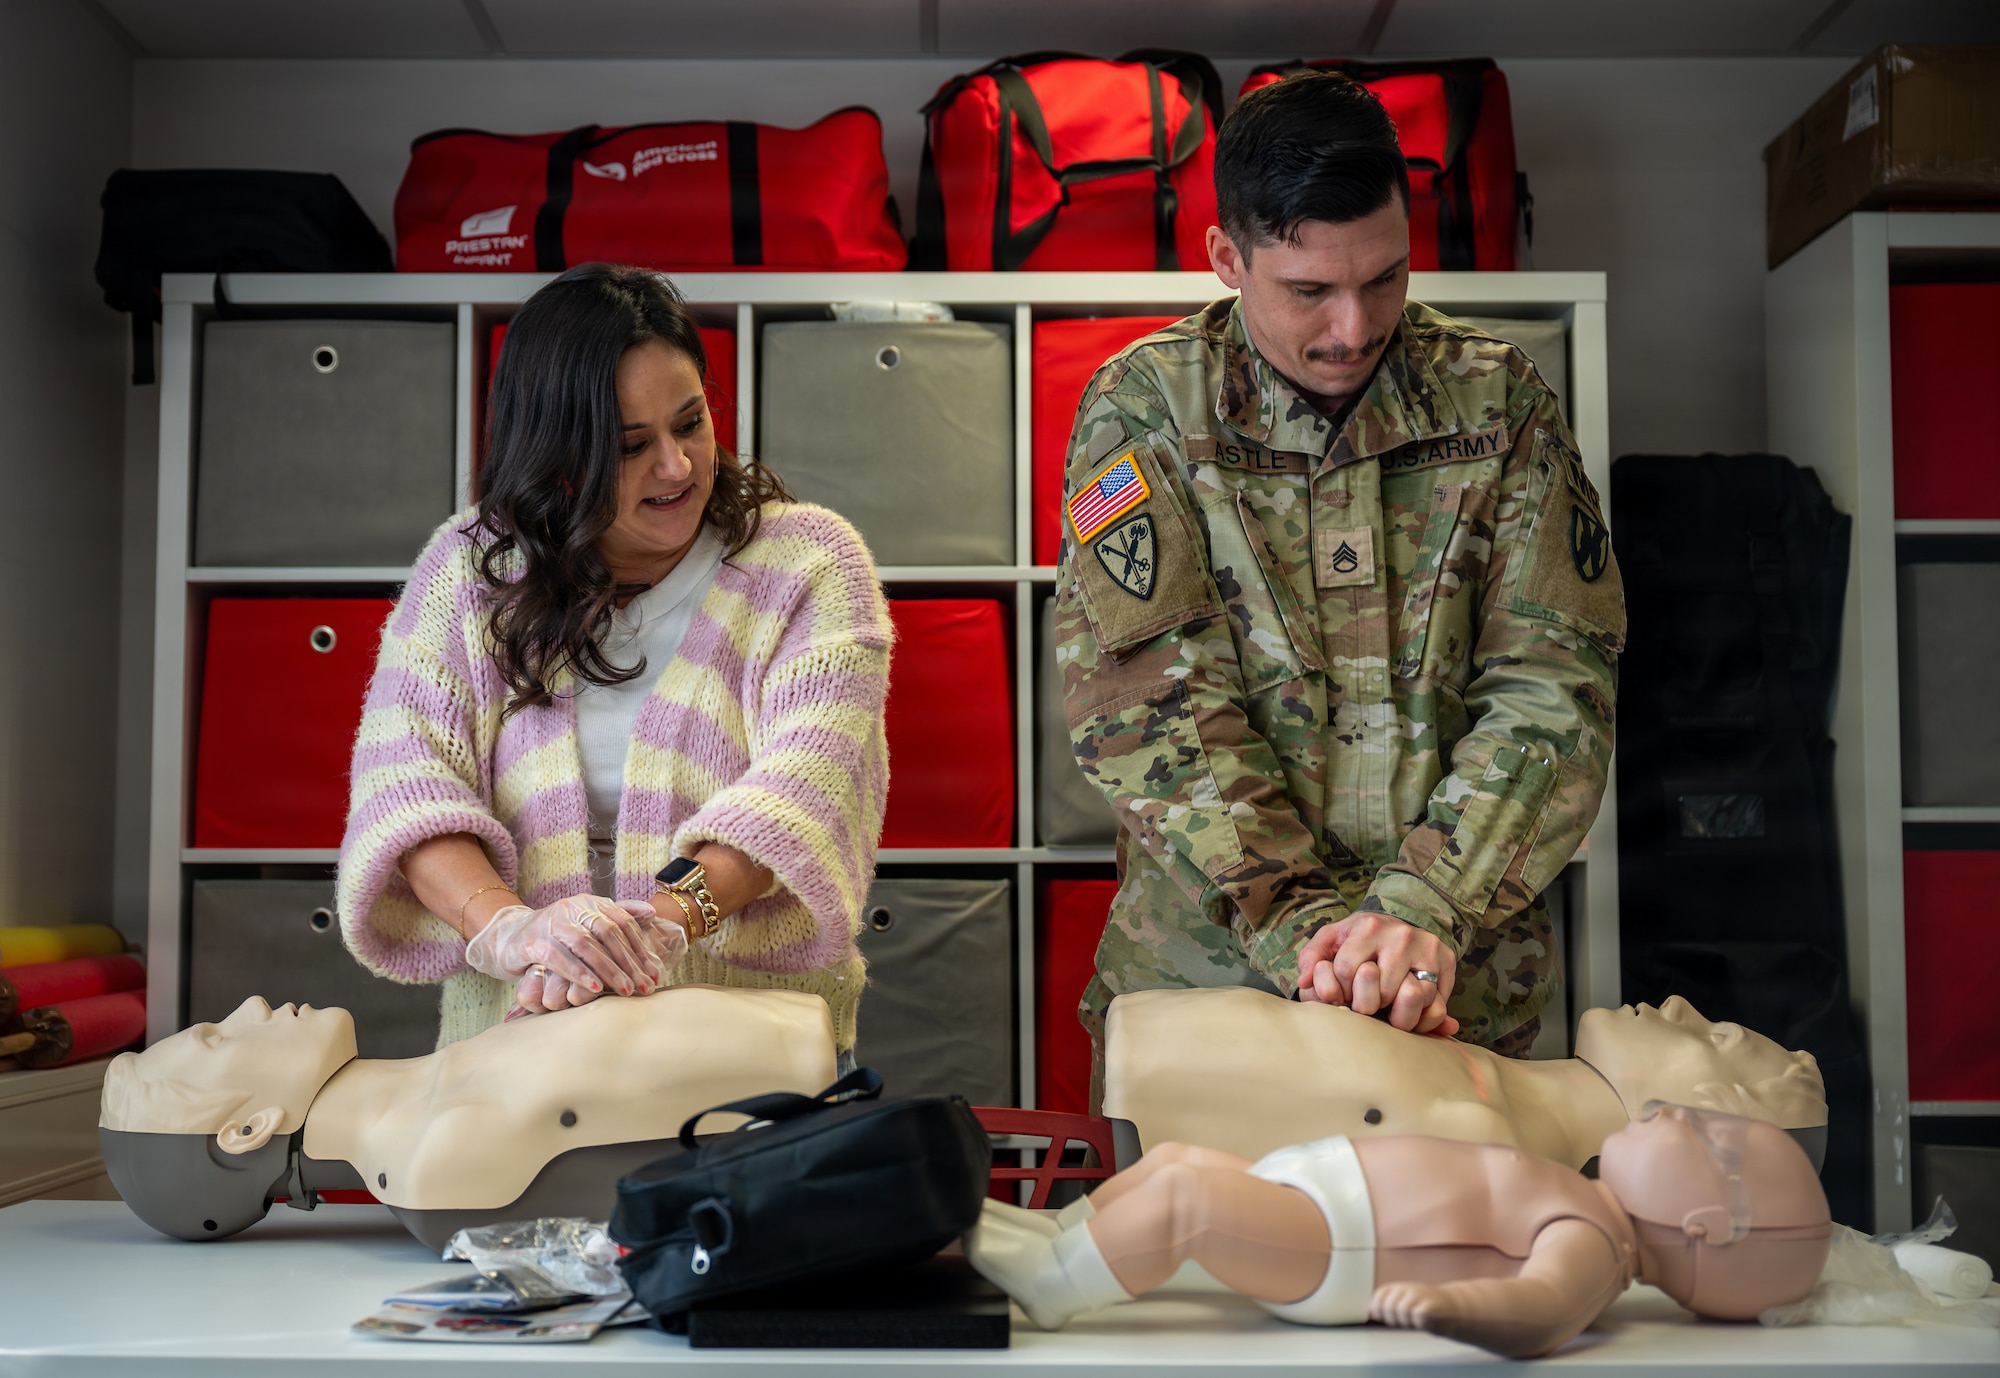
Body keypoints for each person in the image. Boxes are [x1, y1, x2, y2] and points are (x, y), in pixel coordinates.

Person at [1055, 71, 1622, 1079]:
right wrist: (1312, 941)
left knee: (1464, 1241)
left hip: (1448, 993)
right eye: (1308, 290)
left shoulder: (1497, 398)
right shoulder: (1143, 406)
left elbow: (1554, 684)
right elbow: (1151, 703)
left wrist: (1423, 907)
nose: (1352, 329)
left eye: (1385, 279)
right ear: (1226, 257)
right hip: (1213, 993)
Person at [336, 264, 893, 1051]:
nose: (677, 467)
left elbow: (802, 792)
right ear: (557, 458)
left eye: (690, 422)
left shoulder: (809, 566)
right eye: (631, 447)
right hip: (513, 1052)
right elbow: (407, 785)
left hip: (749, 1056)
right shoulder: (469, 573)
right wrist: (514, 930)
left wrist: (654, 931)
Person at [963, 1105, 1831, 1357]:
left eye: (1713, 1140)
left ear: (1706, 1225)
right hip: (1324, 1195)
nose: (1676, 1110)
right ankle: (1061, 1232)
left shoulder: (1594, 1246)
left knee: (1192, 1203)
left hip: (1338, 1246)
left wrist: (1447, 1307)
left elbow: (1541, 1310)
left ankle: (1056, 1280)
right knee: (1181, 1160)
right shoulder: (1585, 1196)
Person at [99, 989, 837, 1246]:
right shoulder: (438, 1159)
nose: (247, 1010)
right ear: (247, 1131)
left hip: (818, 1072)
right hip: (823, 1118)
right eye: (217, 1038)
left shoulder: (438, 1099)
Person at [1102, 988, 1826, 1171]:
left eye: (1714, 1037)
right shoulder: (1488, 1087)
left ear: (1708, 1107)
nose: (1679, 1007)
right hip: (1136, 1061)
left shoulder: (1493, 1147)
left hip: (1144, 1152)